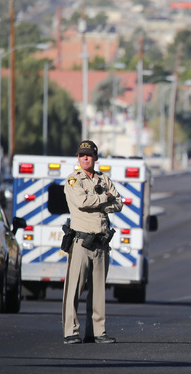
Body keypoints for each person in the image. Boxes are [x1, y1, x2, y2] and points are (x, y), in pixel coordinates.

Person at [62, 140, 123, 344]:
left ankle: (97, 332)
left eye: (88, 155)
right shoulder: (74, 180)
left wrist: (102, 202)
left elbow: (119, 203)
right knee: (74, 289)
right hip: (81, 241)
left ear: (95, 157)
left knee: (98, 292)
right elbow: (82, 202)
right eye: (81, 155)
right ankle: (71, 332)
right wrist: (105, 199)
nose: (85, 158)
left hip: (101, 243)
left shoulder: (103, 179)